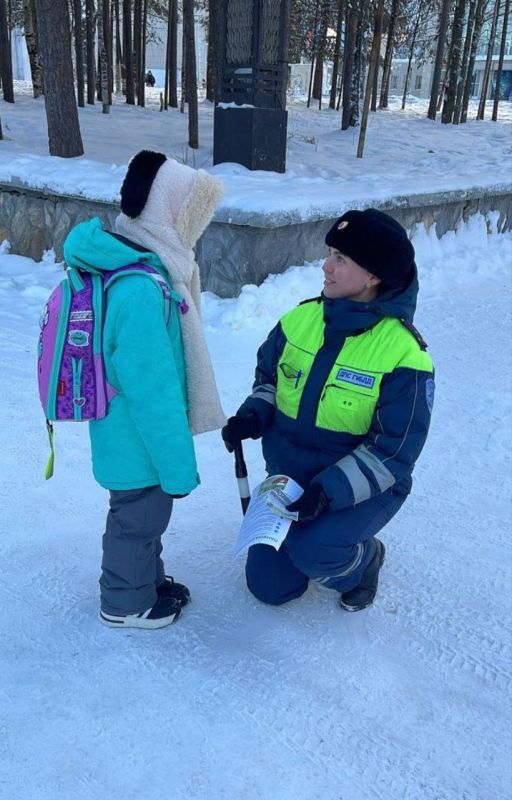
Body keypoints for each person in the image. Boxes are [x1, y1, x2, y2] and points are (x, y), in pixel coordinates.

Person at [222, 209, 434, 612]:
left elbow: (394, 451)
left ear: (373, 275)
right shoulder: (299, 321)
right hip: (292, 479)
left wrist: (325, 492)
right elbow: (269, 380)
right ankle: (309, 545)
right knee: (269, 588)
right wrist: (252, 415)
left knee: (313, 548)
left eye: (341, 259)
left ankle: (364, 561)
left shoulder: (405, 355)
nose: (326, 266)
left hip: (362, 488)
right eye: (331, 254)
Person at [63, 150, 225, 628]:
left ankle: (145, 582)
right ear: (169, 214)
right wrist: (177, 466)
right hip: (137, 442)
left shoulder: (138, 268)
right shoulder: (139, 289)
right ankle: (124, 602)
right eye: (192, 215)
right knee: (135, 523)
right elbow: (153, 393)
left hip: (126, 436)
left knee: (146, 520)